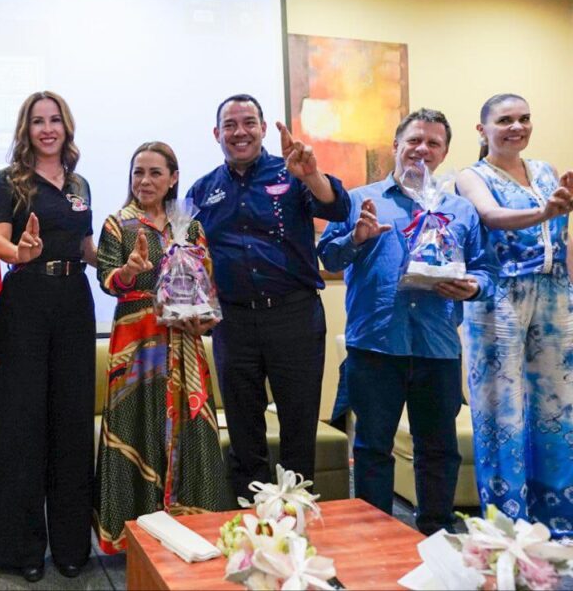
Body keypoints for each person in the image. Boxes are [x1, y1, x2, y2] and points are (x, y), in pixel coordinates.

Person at [318, 108, 499, 534]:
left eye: (433, 143)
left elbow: (488, 271)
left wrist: (472, 286)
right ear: (396, 145)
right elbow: (326, 256)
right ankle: (375, 537)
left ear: (445, 152)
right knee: (372, 449)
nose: (422, 149)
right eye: (414, 140)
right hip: (375, 346)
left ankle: (437, 534)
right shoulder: (360, 201)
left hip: (438, 347)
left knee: (439, 451)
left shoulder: (461, 210)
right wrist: (355, 238)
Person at [185, 94, 350, 502]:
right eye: (230, 124)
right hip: (234, 323)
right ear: (216, 133)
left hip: (294, 316)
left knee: (298, 423)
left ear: (262, 128)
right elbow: (187, 256)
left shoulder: (293, 171)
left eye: (248, 123)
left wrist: (311, 175)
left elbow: (338, 208)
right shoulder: (202, 190)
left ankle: (295, 516)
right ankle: (249, 516)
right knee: (243, 429)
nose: (239, 132)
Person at [94, 141, 230, 554]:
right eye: (138, 172)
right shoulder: (118, 224)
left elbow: (207, 283)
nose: (145, 180)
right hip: (137, 342)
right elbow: (107, 279)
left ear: (173, 178)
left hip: (184, 340)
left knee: (192, 425)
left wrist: (206, 316)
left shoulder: (191, 227)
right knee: (135, 424)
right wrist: (128, 271)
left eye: (155, 172)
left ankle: (195, 526)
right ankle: (135, 536)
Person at [0, 91, 96, 583]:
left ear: (66, 127)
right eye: (38, 121)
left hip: (74, 300)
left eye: (55, 120)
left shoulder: (79, 183)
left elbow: (86, 245)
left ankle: (72, 547)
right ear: (26, 129)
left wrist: (121, 262)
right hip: (26, 299)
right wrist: (18, 252)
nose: (47, 128)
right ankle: (23, 550)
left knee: (73, 422)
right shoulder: (8, 180)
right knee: (24, 424)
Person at [456, 93, 573, 536]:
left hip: (554, 293)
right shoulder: (472, 176)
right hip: (500, 296)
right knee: (501, 410)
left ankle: (558, 524)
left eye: (524, 118)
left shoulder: (545, 170)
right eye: (505, 120)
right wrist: (544, 211)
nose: (517, 127)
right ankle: (509, 526)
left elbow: (562, 238)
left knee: (558, 408)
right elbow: (490, 215)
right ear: (482, 129)